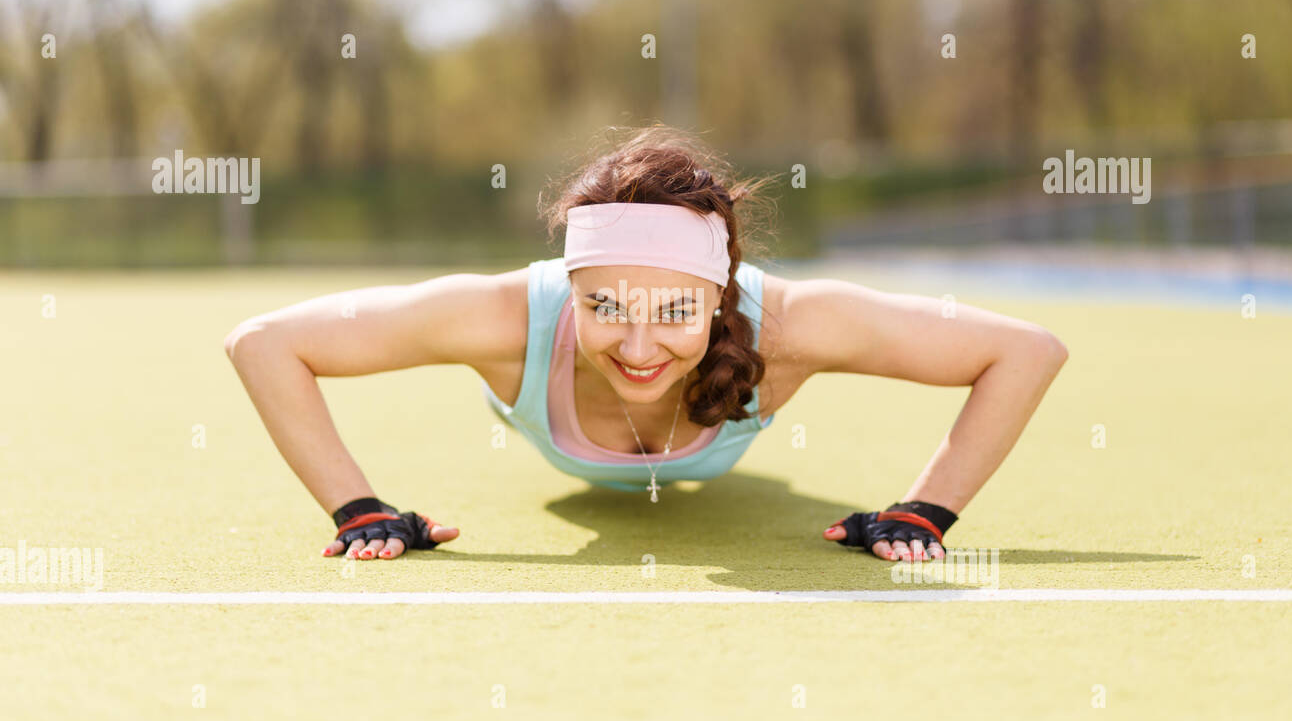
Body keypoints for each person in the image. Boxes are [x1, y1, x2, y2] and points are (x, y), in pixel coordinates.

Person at [224, 126, 1068, 565]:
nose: (636, 345)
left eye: (672, 309)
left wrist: (924, 513)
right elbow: (264, 344)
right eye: (603, 305)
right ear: (570, 291)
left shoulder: (791, 324)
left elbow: (1026, 350)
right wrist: (358, 511)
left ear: (718, 295)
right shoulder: (508, 320)